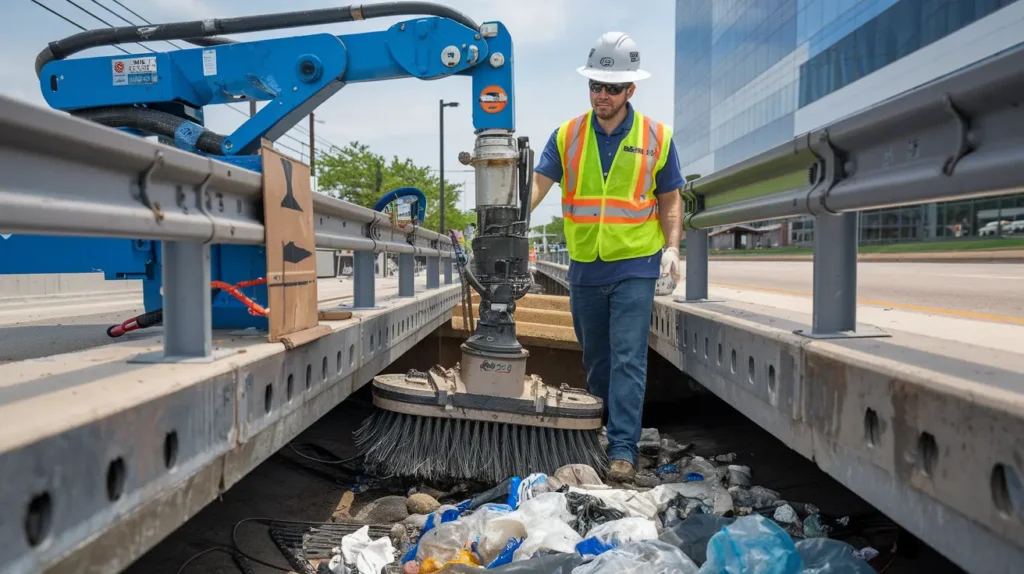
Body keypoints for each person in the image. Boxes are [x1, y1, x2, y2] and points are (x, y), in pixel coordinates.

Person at [529, 31, 683, 482]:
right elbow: (538, 183)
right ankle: (596, 433)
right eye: (596, 85)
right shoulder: (567, 134)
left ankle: (622, 447)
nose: (602, 94)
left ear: (630, 90)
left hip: (636, 263)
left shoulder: (657, 136)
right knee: (596, 358)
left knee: (628, 358)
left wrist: (672, 248)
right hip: (585, 265)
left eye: (612, 88)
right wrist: (513, 221)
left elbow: (670, 199)